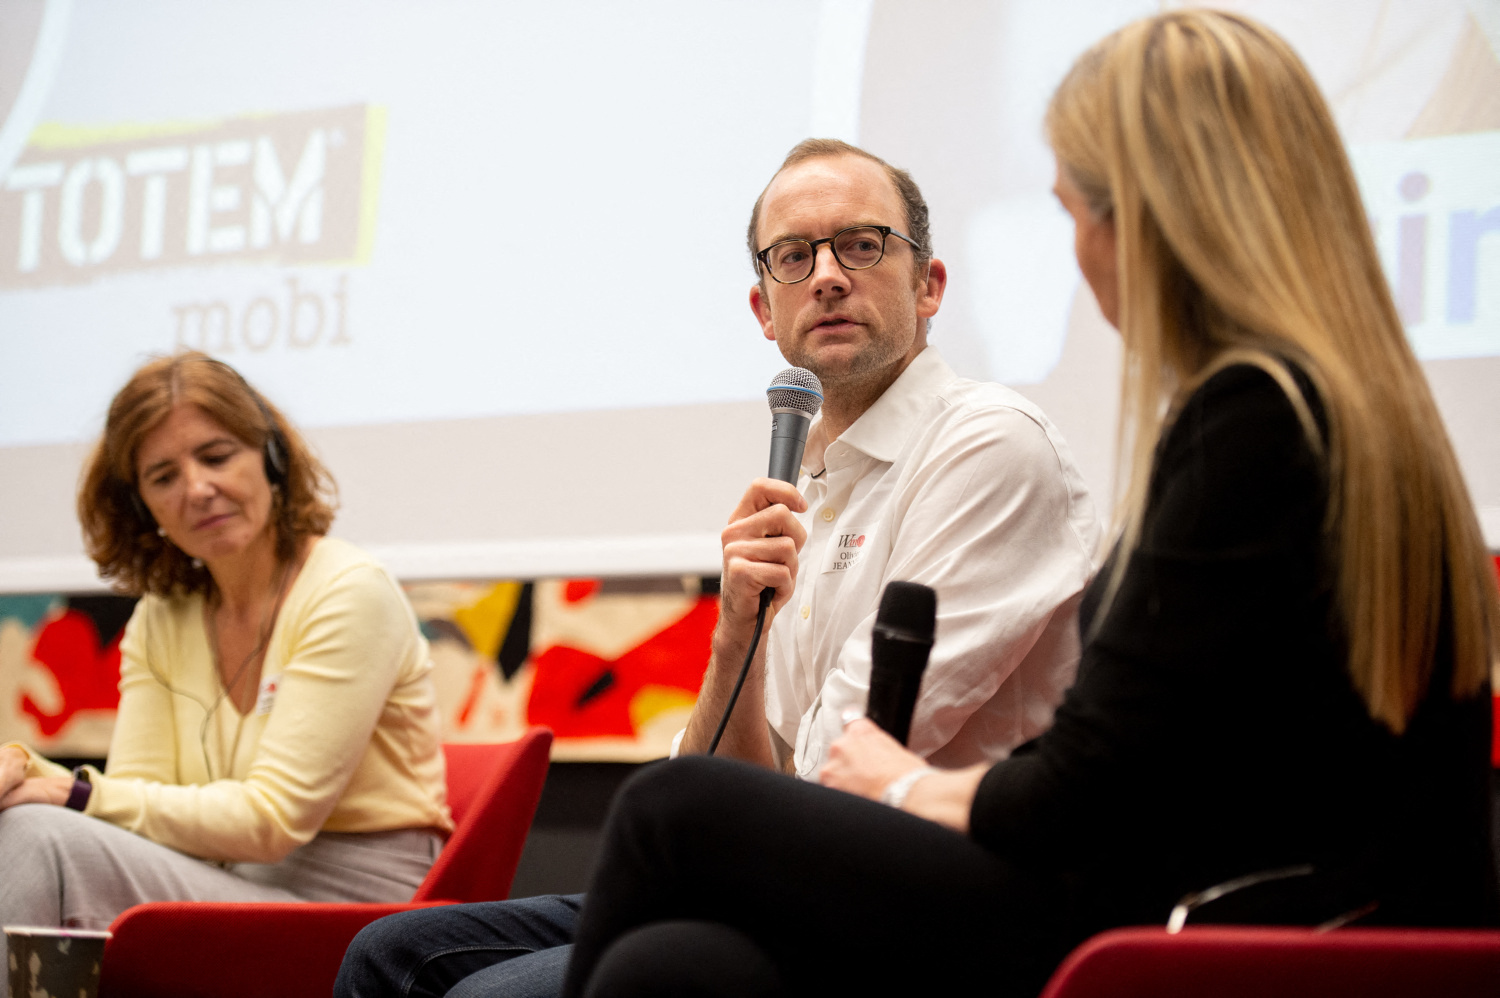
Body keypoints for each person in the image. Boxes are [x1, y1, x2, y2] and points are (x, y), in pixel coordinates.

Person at [557, 11, 1500, 998]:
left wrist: (903, 784)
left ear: (1154, 214)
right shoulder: (1320, 407)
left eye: (1076, 214)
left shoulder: (1252, 423)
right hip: (1210, 901)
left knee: (675, 809)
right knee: (673, 964)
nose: (1081, 258)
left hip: (1198, 930)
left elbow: (1084, 793)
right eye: (794, 257)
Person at [334, 140, 1099, 997]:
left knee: (488, 993)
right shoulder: (803, 484)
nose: (828, 277)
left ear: (929, 287)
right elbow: (734, 786)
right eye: (794, 256)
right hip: (795, 876)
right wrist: (739, 633)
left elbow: (834, 780)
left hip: (931, 896)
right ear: (763, 310)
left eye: (862, 244)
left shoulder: (987, 444)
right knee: (385, 955)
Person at [0, 352, 452, 997]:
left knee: (41, 835)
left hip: (361, 918)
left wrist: (66, 789)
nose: (196, 489)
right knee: (26, 820)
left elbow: (272, 822)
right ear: (144, 507)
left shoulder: (349, 590)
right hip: (227, 882)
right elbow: (136, 802)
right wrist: (33, 781)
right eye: (163, 475)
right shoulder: (161, 617)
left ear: (270, 458)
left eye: (216, 457)